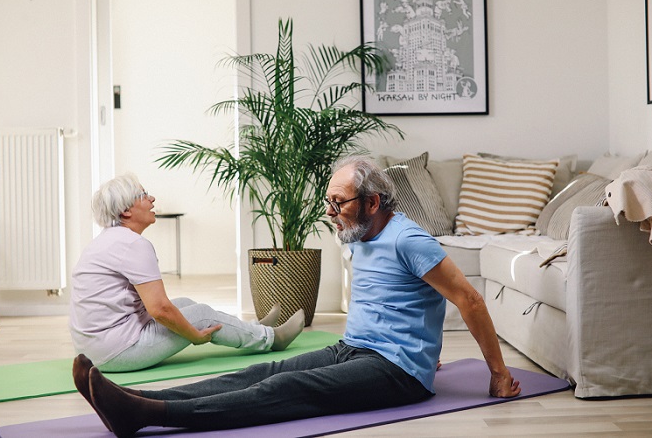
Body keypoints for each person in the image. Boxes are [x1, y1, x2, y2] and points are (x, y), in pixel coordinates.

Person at [73, 158, 520, 438]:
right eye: (328, 202)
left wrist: (496, 374)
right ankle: (128, 397)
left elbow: (469, 301)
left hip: (396, 372)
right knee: (261, 369)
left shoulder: (410, 240)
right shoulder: (359, 233)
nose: (331, 213)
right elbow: (395, 302)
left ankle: (151, 415)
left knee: (285, 388)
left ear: (373, 201)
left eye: (338, 203)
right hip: (355, 351)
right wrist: (426, 345)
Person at [69, 172, 305, 376]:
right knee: (201, 315)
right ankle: (272, 339)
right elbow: (159, 309)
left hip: (94, 349)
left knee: (185, 304)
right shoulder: (132, 244)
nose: (152, 199)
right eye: (143, 195)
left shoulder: (108, 240)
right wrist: (195, 336)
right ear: (126, 210)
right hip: (116, 352)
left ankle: (252, 328)